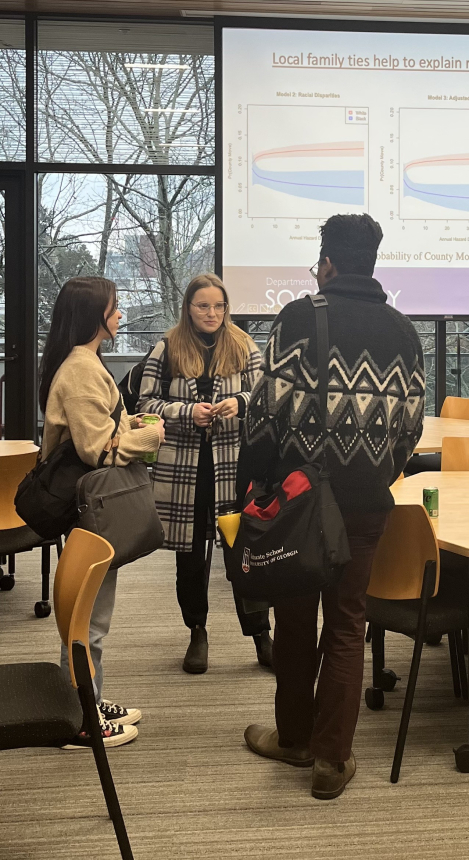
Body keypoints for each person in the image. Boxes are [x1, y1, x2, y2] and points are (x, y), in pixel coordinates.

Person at [236, 214, 425, 799]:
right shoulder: (405, 332)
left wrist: (258, 489)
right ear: (373, 261)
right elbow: (411, 427)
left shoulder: (297, 319)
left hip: (299, 503)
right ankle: (331, 761)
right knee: (348, 625)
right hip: (367, 507)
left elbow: (263, 415)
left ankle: (293, 739)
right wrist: (375, 472)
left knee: (295, 621)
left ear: (327, 262)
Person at [40, 276, 165, 749]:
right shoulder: (80, 369)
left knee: (89, 615)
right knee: (86, 619)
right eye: (114, 307)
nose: (119, 314)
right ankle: (78, 717)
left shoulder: (83, 363)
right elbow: (96, 449)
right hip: (87, 511)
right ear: (96, 316)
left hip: (87, 508)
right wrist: (147, 437)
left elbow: (94, 429)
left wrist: (127, 422)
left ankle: (85, 697)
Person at [138, 273, 272, 674]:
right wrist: (185, 412)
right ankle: (197, 631)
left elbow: (267, 394)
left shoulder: (244, 344)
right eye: (203, 306)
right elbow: (145, 403)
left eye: (219, 306)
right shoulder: (166, 346)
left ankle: (261, 635)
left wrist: (240, 402)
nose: (212, 313)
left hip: (233, 470)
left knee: (243, 555)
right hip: (185, 473)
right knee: (191, 557)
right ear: (188, 308)